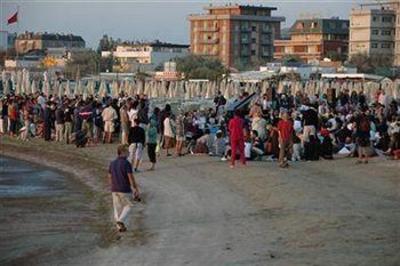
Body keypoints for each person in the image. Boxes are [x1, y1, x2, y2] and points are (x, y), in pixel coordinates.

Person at [108, 144, 140, 232]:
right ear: (122, 152)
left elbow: (110, 176)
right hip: (124, 189)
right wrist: (135, 189)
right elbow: (130, 177)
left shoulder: (112, 163)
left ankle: (119, 227)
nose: (129, 153)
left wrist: (112, 186)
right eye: (127, 151)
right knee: (128, 206)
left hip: (114, 188)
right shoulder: (126, 163)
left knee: (117, 208)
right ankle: (120, 221)